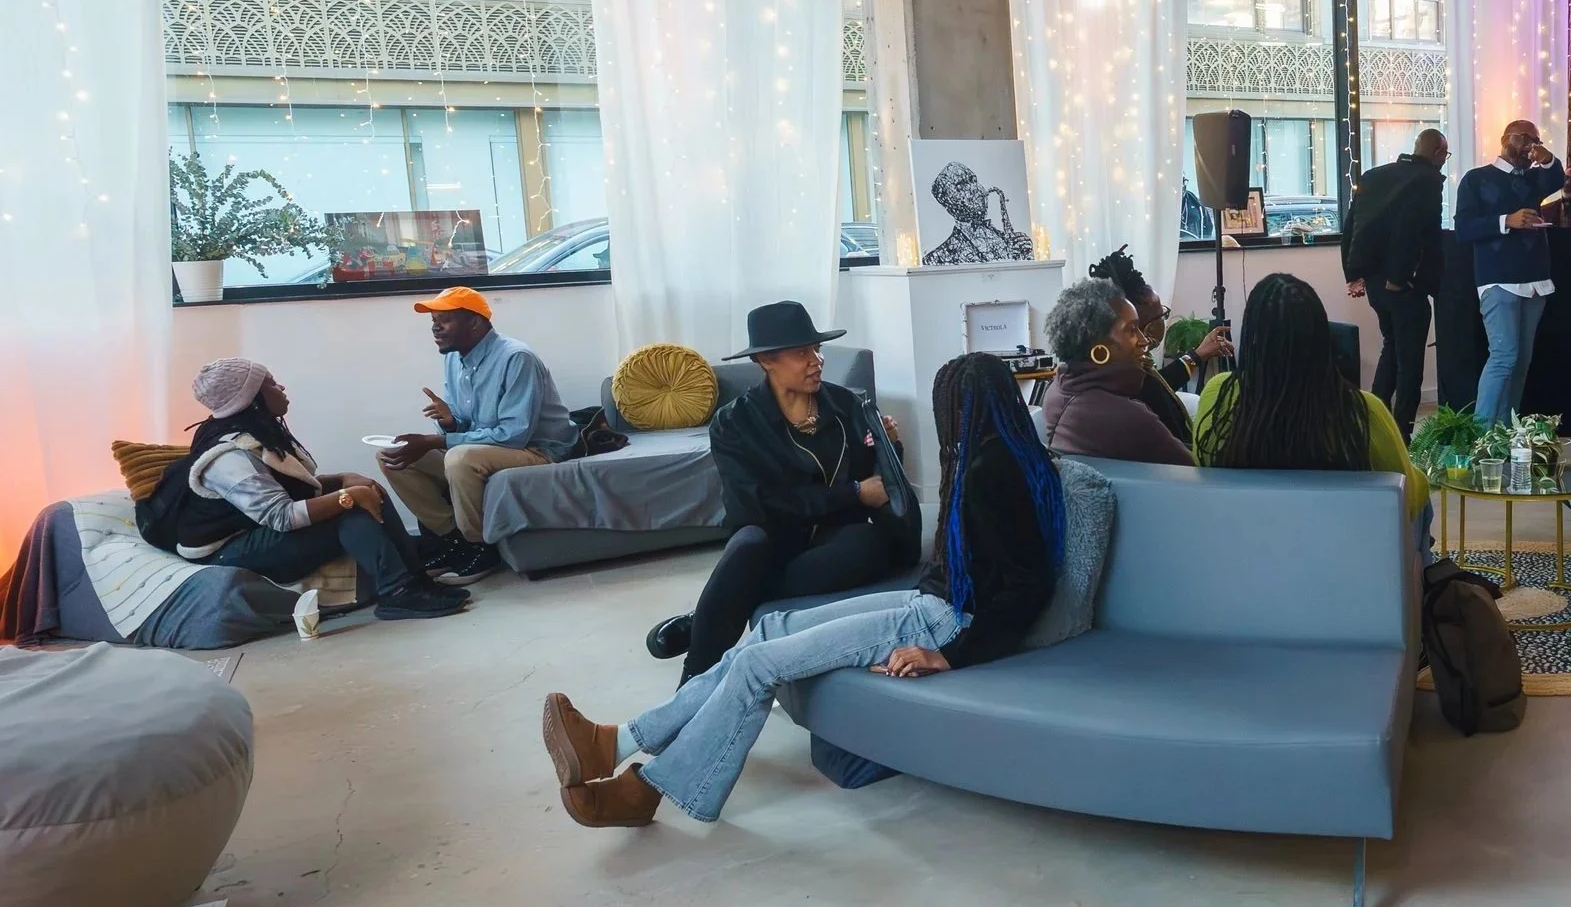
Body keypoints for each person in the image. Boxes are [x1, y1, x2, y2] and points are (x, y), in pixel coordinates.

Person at [541, 351, 1066, 827]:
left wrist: (949, 656)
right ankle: (614, 743)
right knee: (767, 629)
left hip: (944, 621)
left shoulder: (991, 471)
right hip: (926, 603)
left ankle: (651, 790)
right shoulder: (1000, 457)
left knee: (757, 666)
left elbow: (1027, 583)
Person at [641, 302, 921, 680]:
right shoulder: (734, 423)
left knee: (868, 543)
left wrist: (890, 445)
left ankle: (708, 616)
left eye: (816, 350)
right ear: (766, 361)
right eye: (802, 353)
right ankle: (694, 683)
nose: (817, 360)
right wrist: (851, 494)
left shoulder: (846, 405)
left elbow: (881, 480)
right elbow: (753, 508)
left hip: (835, 541)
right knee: (747, 544)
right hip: (772, 540)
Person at [160, 358, 469, 622]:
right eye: (271, 383)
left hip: (257, 527)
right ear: (251, 398)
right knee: (349, 511)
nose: (280, 387)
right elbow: (281, 515)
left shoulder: (259, 430)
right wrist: (345, 498)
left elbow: (292, 487)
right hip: (230, 550)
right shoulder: (230, 457)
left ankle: (415, 580)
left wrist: (345, 480)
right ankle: (396, 593)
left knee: (367, 488)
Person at [1192, 274, 1430, 528]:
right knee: (1422, 512)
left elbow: (1203, 467)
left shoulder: (1218, 394)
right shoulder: (1362, 410)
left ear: (1252, 336)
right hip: (1341, 555)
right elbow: (1410, 496)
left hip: (1244, 545)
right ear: (1324, 337)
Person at [378, 286, 575, 583]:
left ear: (474, 322)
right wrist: (450, 424)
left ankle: (480, 547)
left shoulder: (516, 358)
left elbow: (514, 435)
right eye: (433, 319)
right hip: (492, 447)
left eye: (445, 319)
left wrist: (440, 441)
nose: (435, 327)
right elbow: (467, 424)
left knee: (459, 459)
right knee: (392, 454)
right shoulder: (454, 358)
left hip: (539, 450)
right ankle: (453, 539)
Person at [1454, 119, 1568, 425]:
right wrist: (1506, 221)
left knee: (1521, 362)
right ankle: (1481, 436)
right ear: (1505, 138)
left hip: (1536, 280)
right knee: (1504, 356)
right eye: (1523, 138)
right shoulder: (1476, 179)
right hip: (1498, 278)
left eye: (1535, 140)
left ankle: (1506, 433)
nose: (1529, 145)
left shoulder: (1533, 179)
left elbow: (1557, 180)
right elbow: (1463, 229)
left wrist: (1549, 159)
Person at [1341, 127, 1450, 439]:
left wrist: (1353, 274)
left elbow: (1351, 227)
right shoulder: (1428, 180)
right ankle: (1401, 434)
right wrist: (1398, 279)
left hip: (1375, 283)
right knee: (1410, 363)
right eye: (1445, 155)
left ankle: (1374, 425)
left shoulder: (1375, 175)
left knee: (1391, 348)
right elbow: (1410, 230)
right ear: (1438, 154)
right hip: (1404, 286)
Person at [1040, 278, 1195, 464]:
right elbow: (1197, 469)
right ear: (1099, 347)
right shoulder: (1127, 417)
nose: (1144, 340)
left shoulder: (1057, 390)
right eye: (1131, 330)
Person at [1088, 246, 1231, 409]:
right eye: (1162, 315)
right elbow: (1156, 391)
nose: (1164, 318)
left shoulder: (1110, 366)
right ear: (1147, 330)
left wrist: (1197, 355)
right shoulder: (1129, 380)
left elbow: (1159, 383)